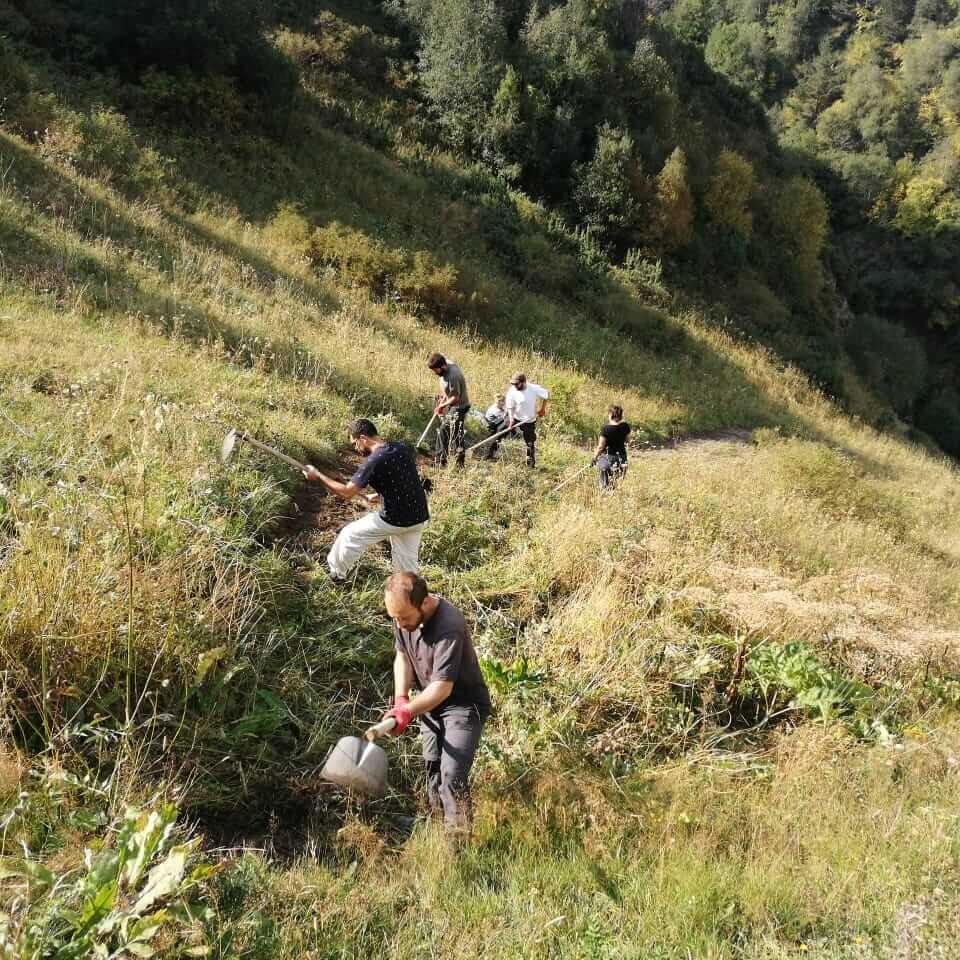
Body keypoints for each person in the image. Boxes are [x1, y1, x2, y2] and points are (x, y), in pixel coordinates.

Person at [381, 571, 491, 846]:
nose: (400, 623)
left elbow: (443, 687)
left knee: (451, 774)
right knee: (432, 770)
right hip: (430, 705)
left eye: (404, 617)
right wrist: (401, 699)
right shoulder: (402, 617)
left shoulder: (448, 625)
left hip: (462, 705)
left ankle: (458, 845)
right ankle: (436, 831)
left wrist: (406, 714)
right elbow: (402, 657)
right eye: (395, 618)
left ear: (425, 603)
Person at [302, 419, 429, 582]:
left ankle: (335, 574)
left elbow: (347, 492)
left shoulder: (374, 460)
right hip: (419, 517)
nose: (356, 448)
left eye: (355, 443)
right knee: (406, 570)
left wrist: (318, 475)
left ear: (363, 438)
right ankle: (408, 596)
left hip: (395, 519)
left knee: (350, 535)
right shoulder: (400, 448)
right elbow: (405, 479)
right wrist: (379, 496)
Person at [427, 352, 470, 468]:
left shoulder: (453, 376)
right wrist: (443, 397)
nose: (434, 372)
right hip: (456, 404)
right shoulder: (446, 365)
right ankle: (460, 463)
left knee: (443, 431)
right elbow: (444, 384)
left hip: (459, 406)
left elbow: (455, 397)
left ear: (443, 366)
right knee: (457, 433)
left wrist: (441, 406)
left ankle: (440, 462)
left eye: (436, 370)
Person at [505, 372, 549, 468]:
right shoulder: (512, 391)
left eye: (517, 384)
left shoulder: (533, 388)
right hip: (515, 417)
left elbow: (546, 395)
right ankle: (491, 453)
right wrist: (511, 419)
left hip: (529, 420)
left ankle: (530, 465)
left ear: (524, 382)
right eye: (513, 384)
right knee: (501, 432)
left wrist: (542, 409)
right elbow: (510, 406)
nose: (515, 386)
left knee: (530, 442)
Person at [593, 404, 631, 489]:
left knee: (605, 486)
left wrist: (594, 458)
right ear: (621, 415)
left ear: (610, 414)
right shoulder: (625, 426)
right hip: (622, 459)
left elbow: (600, 447)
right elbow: (628, 441)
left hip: (607, 458)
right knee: (616, 485)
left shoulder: (606, 428)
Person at [481, 392, 508, 461]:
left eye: (503, 401)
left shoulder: (500, 407)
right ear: (497, 401)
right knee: (495, 439)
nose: (503, 403)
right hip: (491, 426)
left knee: (502, 434)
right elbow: (504, 417)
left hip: (495, 423)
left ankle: (491, 454)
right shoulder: (495, 409)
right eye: (501, 401)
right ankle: (489, 455)